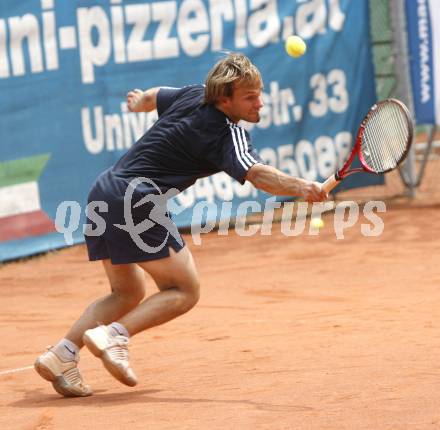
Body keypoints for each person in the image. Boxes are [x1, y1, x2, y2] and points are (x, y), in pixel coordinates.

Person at [34, 52, 328, 397]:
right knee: (184, 291)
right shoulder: (227, 133)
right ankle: (115, 335)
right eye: (250, 97)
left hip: (104, 190)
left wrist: (138, 102)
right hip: (136, 200)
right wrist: (303, 187)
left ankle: (62, 356)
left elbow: (154, 95)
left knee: (126, 292)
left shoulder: (193, 93)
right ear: (224, 98)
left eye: (259, 94)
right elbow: (258, 174)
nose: (259, 103)